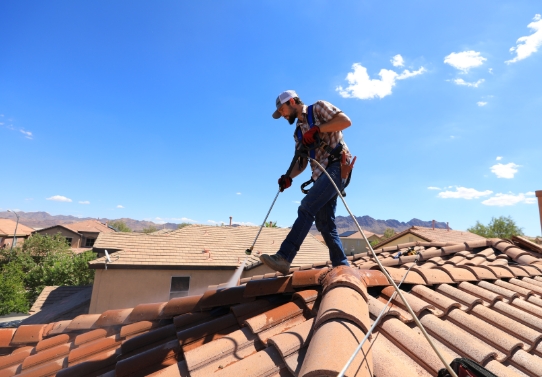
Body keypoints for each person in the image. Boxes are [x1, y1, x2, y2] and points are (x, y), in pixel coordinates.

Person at [260, 90, 355, 274]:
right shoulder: (298, 132)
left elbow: (345, 121)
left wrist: (318, 128)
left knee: (306, 207)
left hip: (337, 166)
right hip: (320, 175)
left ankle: (285, 257)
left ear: (293, 102)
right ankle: (342, 266)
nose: (283, 115)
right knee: (325, 225)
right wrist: (289, 177)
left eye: (283, 110)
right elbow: (302, 163)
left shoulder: (318, 108)